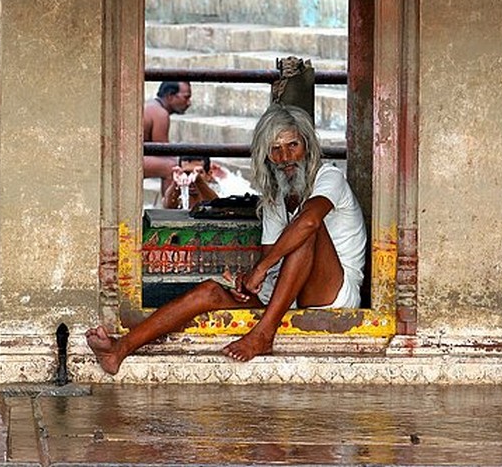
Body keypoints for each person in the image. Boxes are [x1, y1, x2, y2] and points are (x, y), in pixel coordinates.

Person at [88, 103, 366, 370]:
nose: (285, 158)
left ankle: (263, 335)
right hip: (289, 297)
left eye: (293, 145)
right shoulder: (274, 197)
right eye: (275, 150)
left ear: (307, 145)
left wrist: (260, 269)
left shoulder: (329, 177)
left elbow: (308, 223)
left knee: (306, 229)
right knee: (209, 291)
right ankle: (120, 349)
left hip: (335, 294)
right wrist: (248, 285)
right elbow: (272, 259)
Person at [143, 81, 193, 193]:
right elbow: (163, 152)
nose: (189, 103)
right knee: (172, 167)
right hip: (123, 159)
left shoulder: (153, 107)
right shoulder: (160, 113)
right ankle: (170, 208)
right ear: (170, 96)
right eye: (186, 97)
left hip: (125, 156)